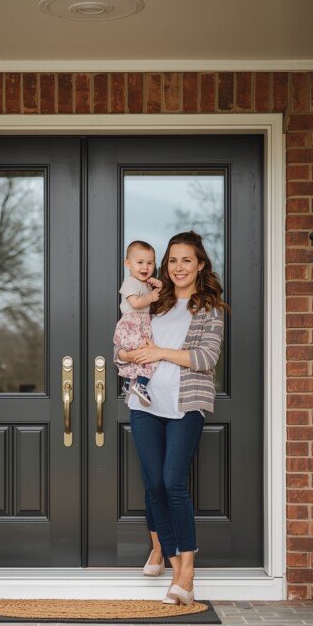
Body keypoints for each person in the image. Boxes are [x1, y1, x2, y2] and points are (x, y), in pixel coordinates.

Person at [115, 231, 229, 605]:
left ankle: (188, 572)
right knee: (153, 486)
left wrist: (159, 351)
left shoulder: (208, 307)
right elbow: (122, 350)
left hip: (185, 405)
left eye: (187, 260)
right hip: (144, 403)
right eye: (173, 260)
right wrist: (132, 357)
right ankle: (175, 568)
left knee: (172, 483)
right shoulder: (154, 303)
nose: (179, 267)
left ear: (200, 265)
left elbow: (205, 358)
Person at [113, 240, 161, 406]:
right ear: (128, 263)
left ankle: (129, 383)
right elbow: (135, 303)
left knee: (141, 353)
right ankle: (139, 384)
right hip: (132, 323)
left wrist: (159, 284)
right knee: (144, 354)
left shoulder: (145, 283)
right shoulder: (130, 282)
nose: (145, 268)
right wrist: (151, 297)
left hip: (141, 323)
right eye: (139, 262)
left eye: (150, 263)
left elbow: (160, 292)